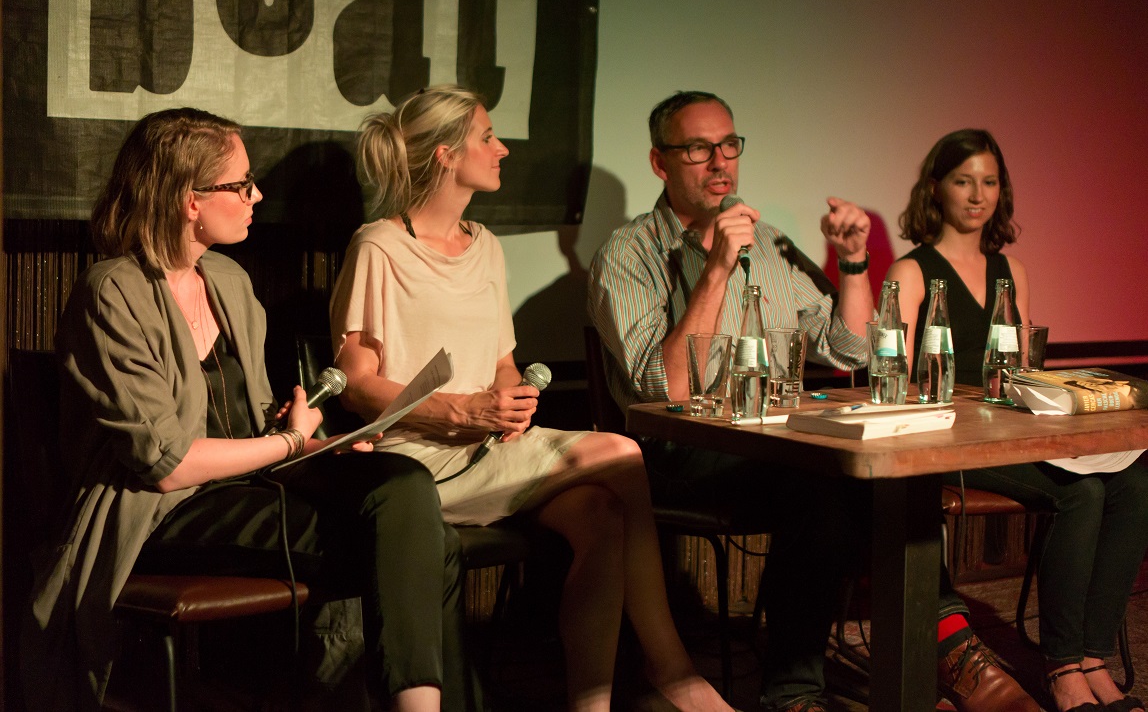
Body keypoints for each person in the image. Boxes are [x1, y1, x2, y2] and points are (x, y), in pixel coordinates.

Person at [587, 91, 1039, 712]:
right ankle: (805, 689)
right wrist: (716, 269)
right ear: (659, 162)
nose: (719, 162)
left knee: (881, 472)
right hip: (681, 451)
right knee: (823, 479)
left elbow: (850, 350)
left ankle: (938, 649)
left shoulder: (770, 243)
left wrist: (852, 264)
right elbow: (666, 389)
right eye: (697, 149)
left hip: (774, 441)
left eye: (729, 145)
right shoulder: (627, 252)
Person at [20, 108, 475, 712]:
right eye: (241, 185)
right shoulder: (112, 291)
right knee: (419, 542)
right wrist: (290, 444)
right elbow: (165, 464)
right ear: (189, 199)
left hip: (250, 486)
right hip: (160, 512)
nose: (256, 196)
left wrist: (317, 444)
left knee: (406, 485)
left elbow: (257, 418)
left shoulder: (229, 279)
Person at [329, 85, 732, 712]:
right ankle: (671, 669)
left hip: (488, 449)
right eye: (487, 137)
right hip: (414, 466)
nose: (503, 149)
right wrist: (458, 410)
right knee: (622, 452)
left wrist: (510, 398)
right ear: (445, 154)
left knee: (603, 516)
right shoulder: (378, 246)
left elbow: (501, 363)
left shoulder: (485, 246)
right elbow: (357, 383)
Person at [887, 128, 1148, 712]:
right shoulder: (911, 271)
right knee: (1081, 493)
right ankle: (1063, 668)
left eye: (989, 182)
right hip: (948, 438)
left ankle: (1093, 657)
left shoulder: (1011, 271)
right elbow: (896, 377)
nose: (977, 195)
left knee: (1135, 482)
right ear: (936, 188)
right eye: (963, 181)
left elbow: (1024, 372)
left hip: (1011, 429)